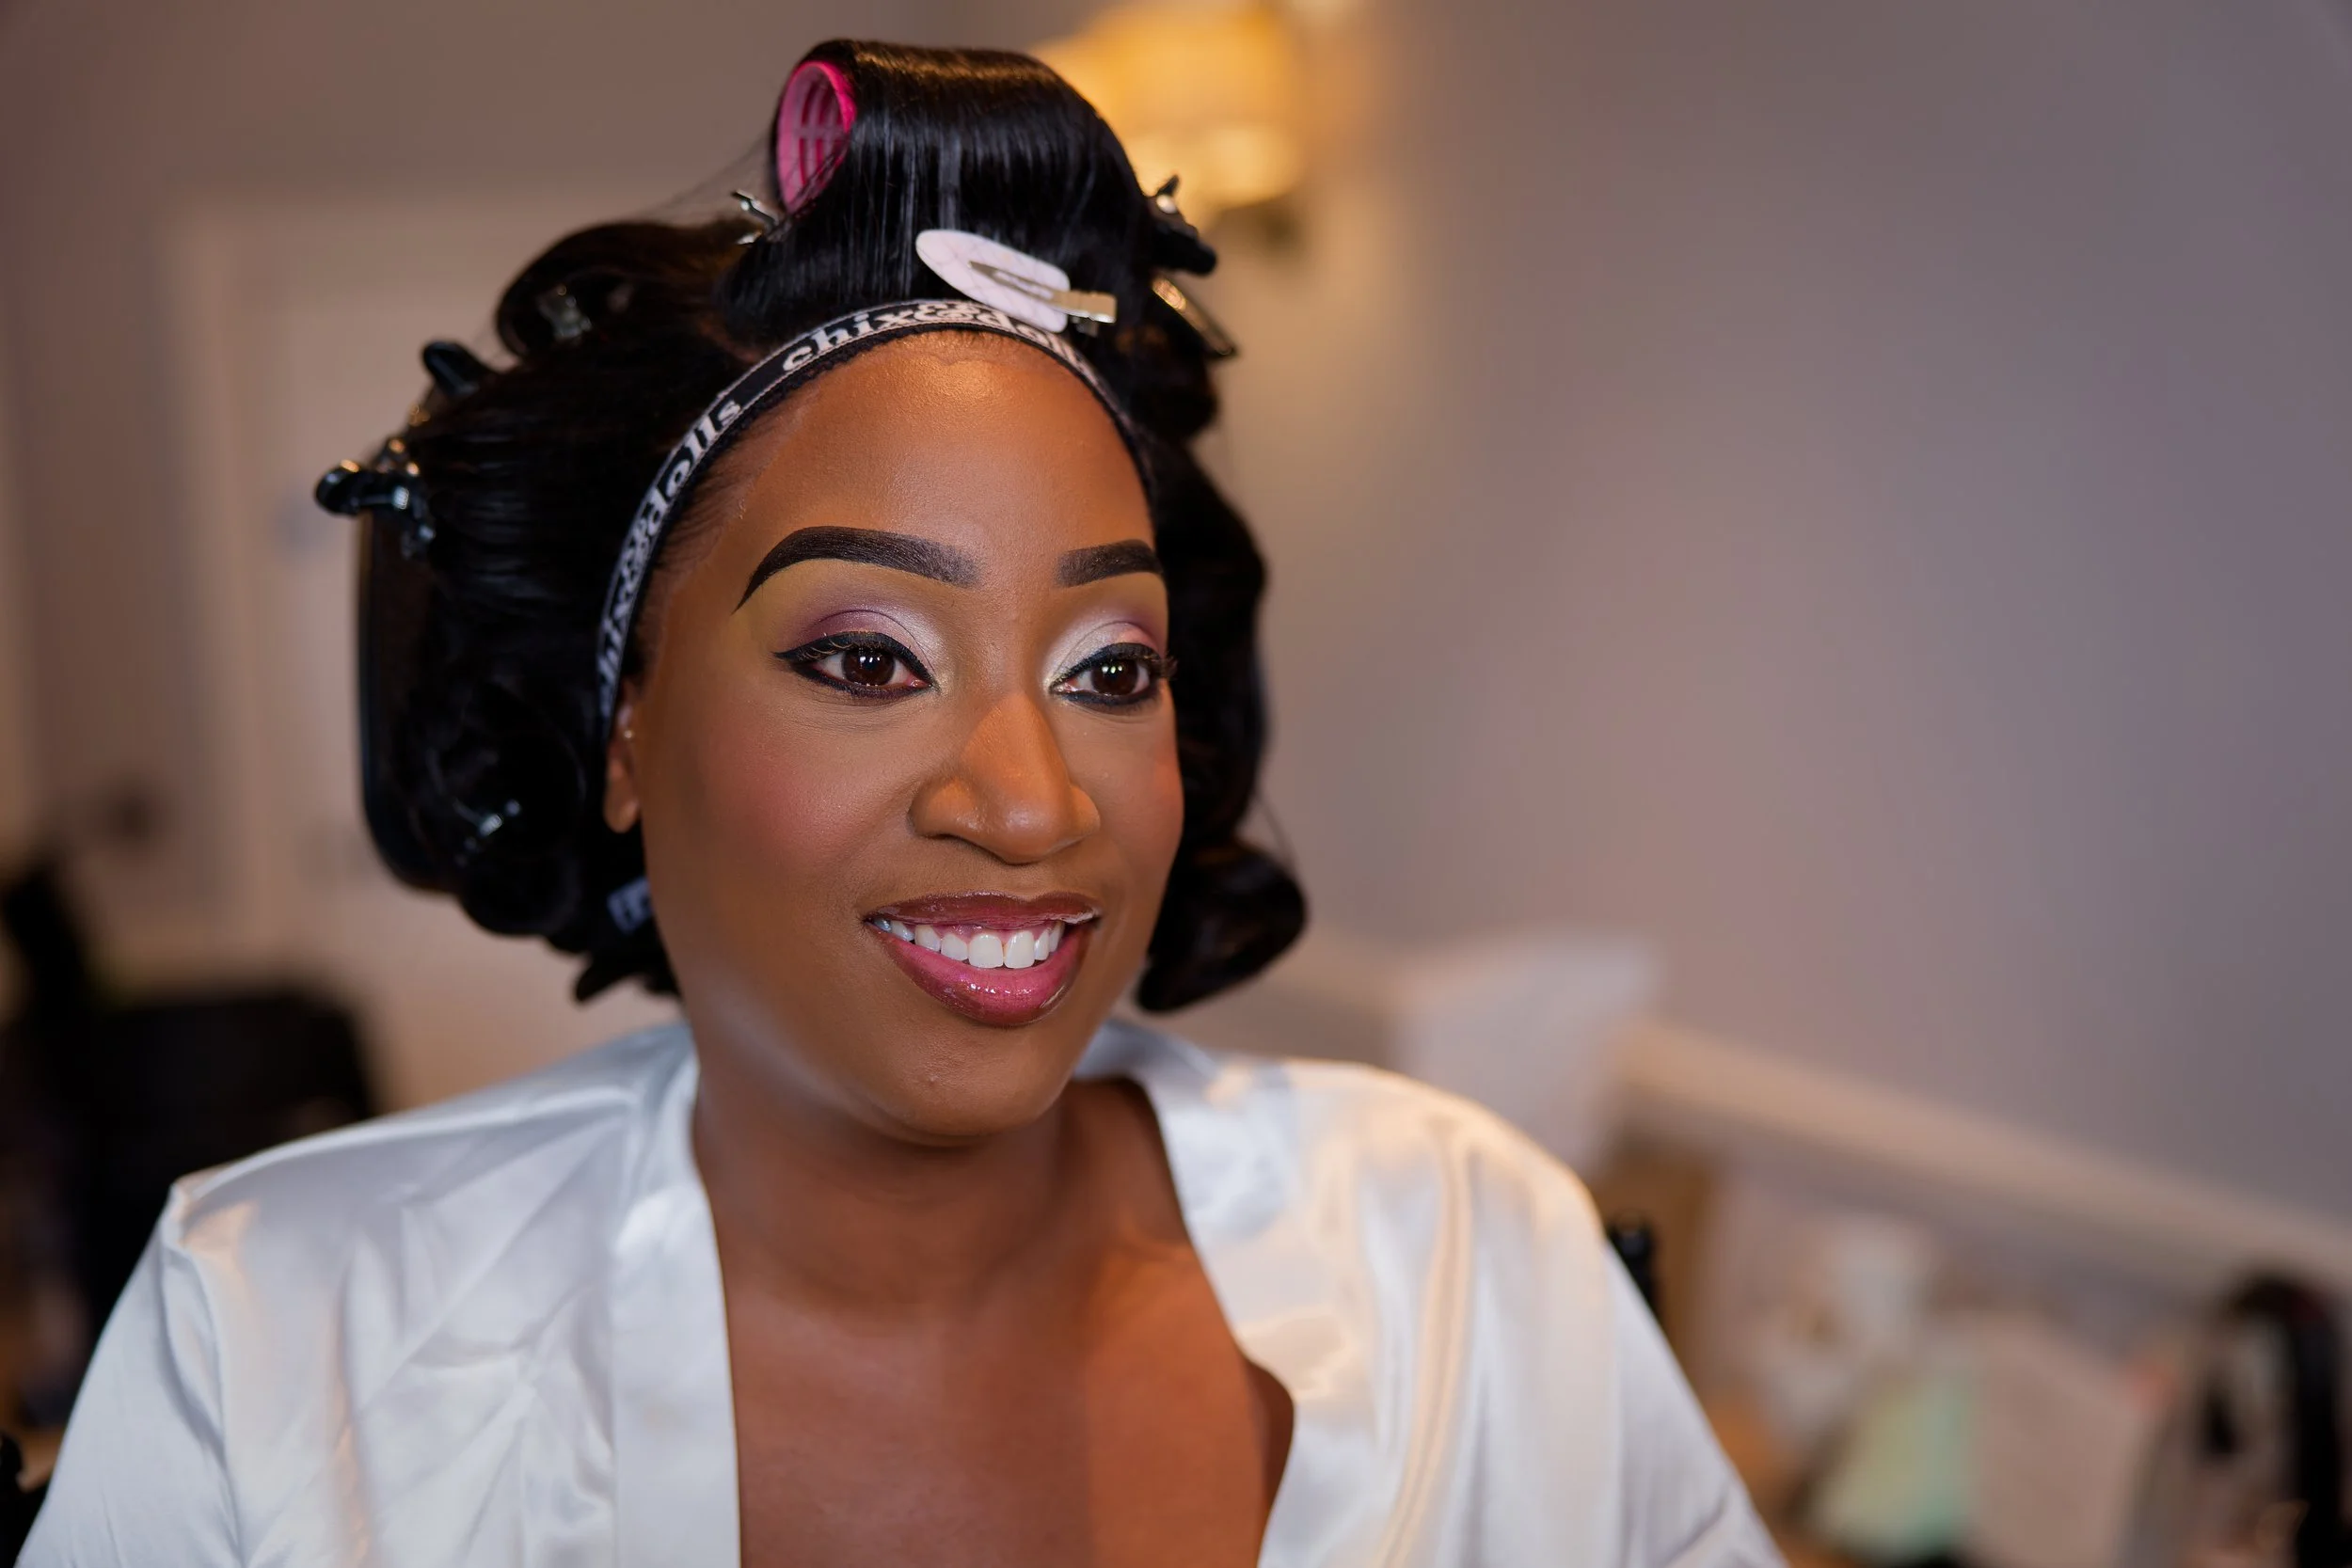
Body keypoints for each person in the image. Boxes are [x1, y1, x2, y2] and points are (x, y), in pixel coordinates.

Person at [22, 40, 1774, 1567]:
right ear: (624, 731)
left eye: (1108, 670)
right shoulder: (279, 1340)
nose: (1027, 807)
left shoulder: (1473, 1262)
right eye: (867, 659)